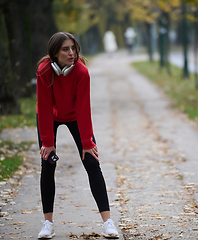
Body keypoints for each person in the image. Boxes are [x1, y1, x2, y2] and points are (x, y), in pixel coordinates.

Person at [36, 32, 119, 239]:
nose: (71, 53)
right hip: (50, 116)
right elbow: (45, 108)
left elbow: (83, 108)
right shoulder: (44, 70)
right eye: (65, 49)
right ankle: (48, 224)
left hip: (74, 115)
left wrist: (87, 143)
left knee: (92, 162)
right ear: (54, 53)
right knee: (48, 164)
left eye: (73, 48)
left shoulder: (81, 72)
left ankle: (107, 222)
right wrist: (48, 142)